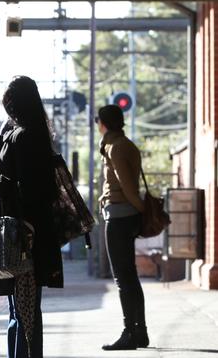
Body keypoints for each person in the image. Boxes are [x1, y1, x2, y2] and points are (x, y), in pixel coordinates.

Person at [0, 76, 62, 358]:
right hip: (11, 236)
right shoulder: (16, 133)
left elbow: (36, 190)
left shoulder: (28, 136)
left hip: (25, 239)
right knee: (18, 312)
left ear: (14, 102)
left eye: (8, 100)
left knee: (25, 313)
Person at [96, 104, 149, 350]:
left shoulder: (116, 148)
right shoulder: (125, 144)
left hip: (119, 217)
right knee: (130, 276)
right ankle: (140, 331)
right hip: (124, 215)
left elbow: (127, 186)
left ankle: (130, 333)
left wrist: (141, 209)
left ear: (103, 124)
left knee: (122, 278)